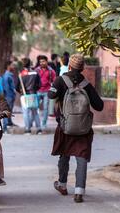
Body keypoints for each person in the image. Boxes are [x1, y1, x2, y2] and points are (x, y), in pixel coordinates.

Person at [48, 54, 104, 203]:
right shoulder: (86, 84)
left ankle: (62, 184)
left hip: (65, 125)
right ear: (82, 68)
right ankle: (79, 191)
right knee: (82, 158)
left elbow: (50, 96)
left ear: (70, 66)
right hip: (83, 129)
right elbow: (99, 106)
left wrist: (56, 88)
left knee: (64, 155)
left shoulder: (61, 80)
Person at [15, 58, 42, 134]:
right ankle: (39, 129)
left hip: (24, 95)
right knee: (35, 112)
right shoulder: (35, 73)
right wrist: (35, 90)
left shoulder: (21, 75)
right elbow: (39, 85)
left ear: (22, 64)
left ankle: (28, 130)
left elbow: (17, 87)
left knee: (26, 113)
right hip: (33, 94)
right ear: (30, 63)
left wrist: (21, 92)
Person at [0, 61, 16, 133]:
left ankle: (9, 123)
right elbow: (6, 88)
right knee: (7, 110)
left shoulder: (8, 75)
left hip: (10, 95)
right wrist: (11, 95)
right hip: (9, 96)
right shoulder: (7, 76)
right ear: (8, 66)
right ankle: (5, 127)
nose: (13, 66)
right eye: (12, 65)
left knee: (9, 110)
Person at [36, 55, 56, 130]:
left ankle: (43, 124)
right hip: (38, 91)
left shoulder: (51, 71)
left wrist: (53, 90)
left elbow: (55, 81)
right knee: (35, 108)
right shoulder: (37, 70)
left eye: (43, 61)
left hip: (46, 91)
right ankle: (37, 123)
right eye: (40, 62)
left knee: (45, 108)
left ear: (47, 62)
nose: (41, 63)